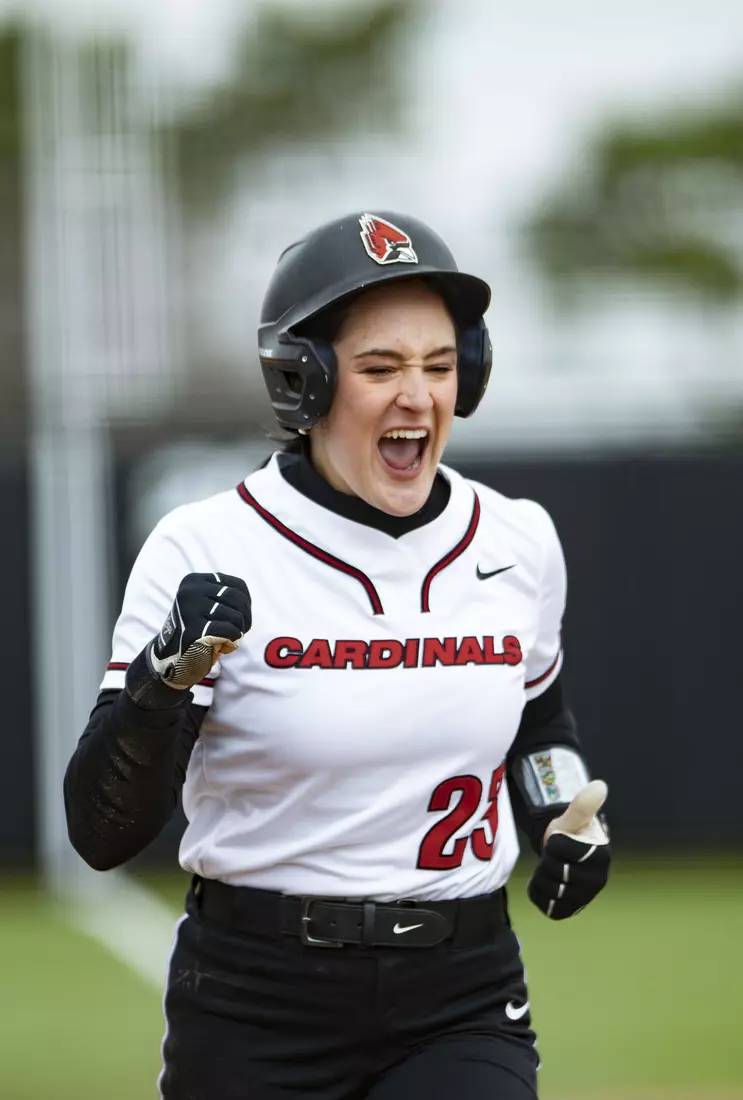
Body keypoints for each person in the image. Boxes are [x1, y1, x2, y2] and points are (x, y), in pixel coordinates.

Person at [64, 211, 611, 1100]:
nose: (417, 395)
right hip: (255, 997)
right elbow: (100, 832)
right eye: (381, 367)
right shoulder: (205, 545)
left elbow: (538, 722)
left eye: (439, 366)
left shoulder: (517, 540)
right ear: (304, 382)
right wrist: (163, 682)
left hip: (460, 991)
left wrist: (562, 817)